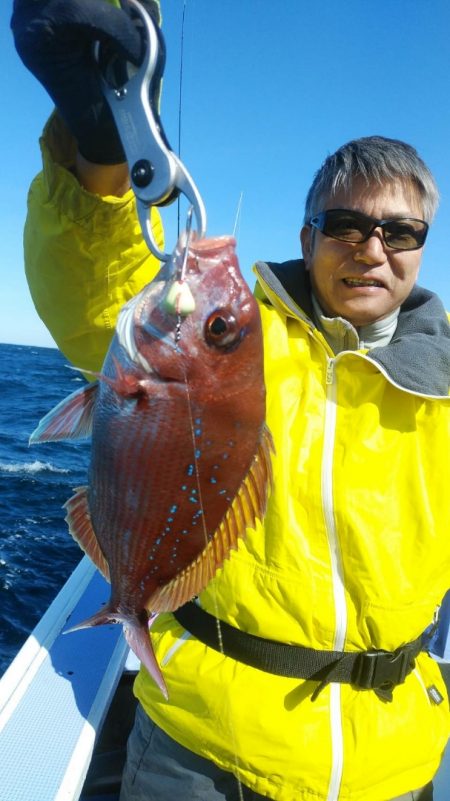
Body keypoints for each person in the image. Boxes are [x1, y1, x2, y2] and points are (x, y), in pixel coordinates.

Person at [11, 2, 450, 800]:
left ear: (424, 244)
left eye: (401, 232)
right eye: (346, 224)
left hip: (393, 765)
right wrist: (101, 147)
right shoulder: (243, 337)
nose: (371, 249)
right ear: (310, 233)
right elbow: (96, 294)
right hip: (200, 742)